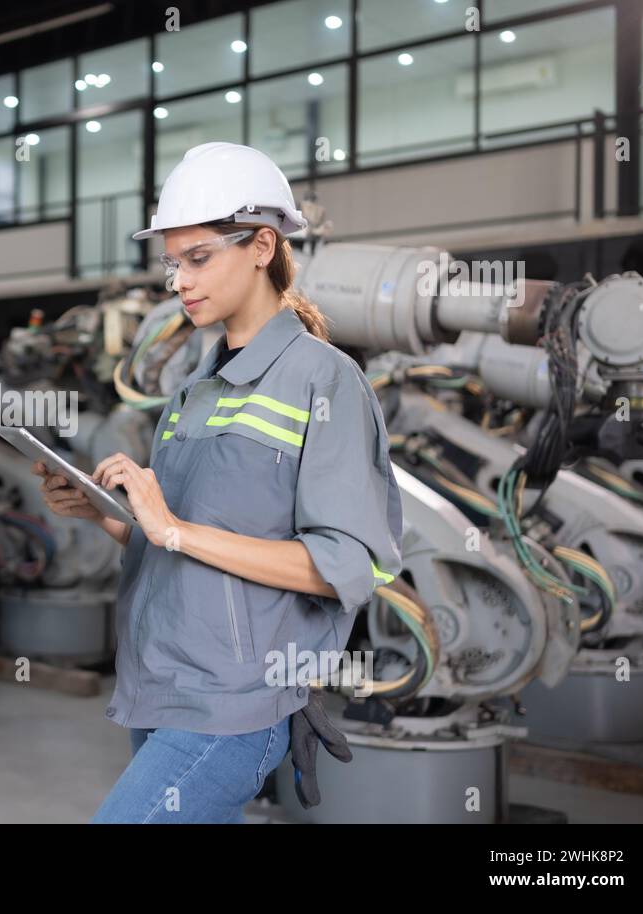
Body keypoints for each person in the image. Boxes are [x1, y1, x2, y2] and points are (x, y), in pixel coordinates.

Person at [33, 142, 403, 824]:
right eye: (174, 263)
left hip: (234, 704)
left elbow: (348, 566)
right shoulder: (194, 390)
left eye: (198, 258)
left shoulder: (324, 381)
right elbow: (176, 543)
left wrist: (173, 527)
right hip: (164, 684)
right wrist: (107, 515)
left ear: (263, 245)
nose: (179, 281)